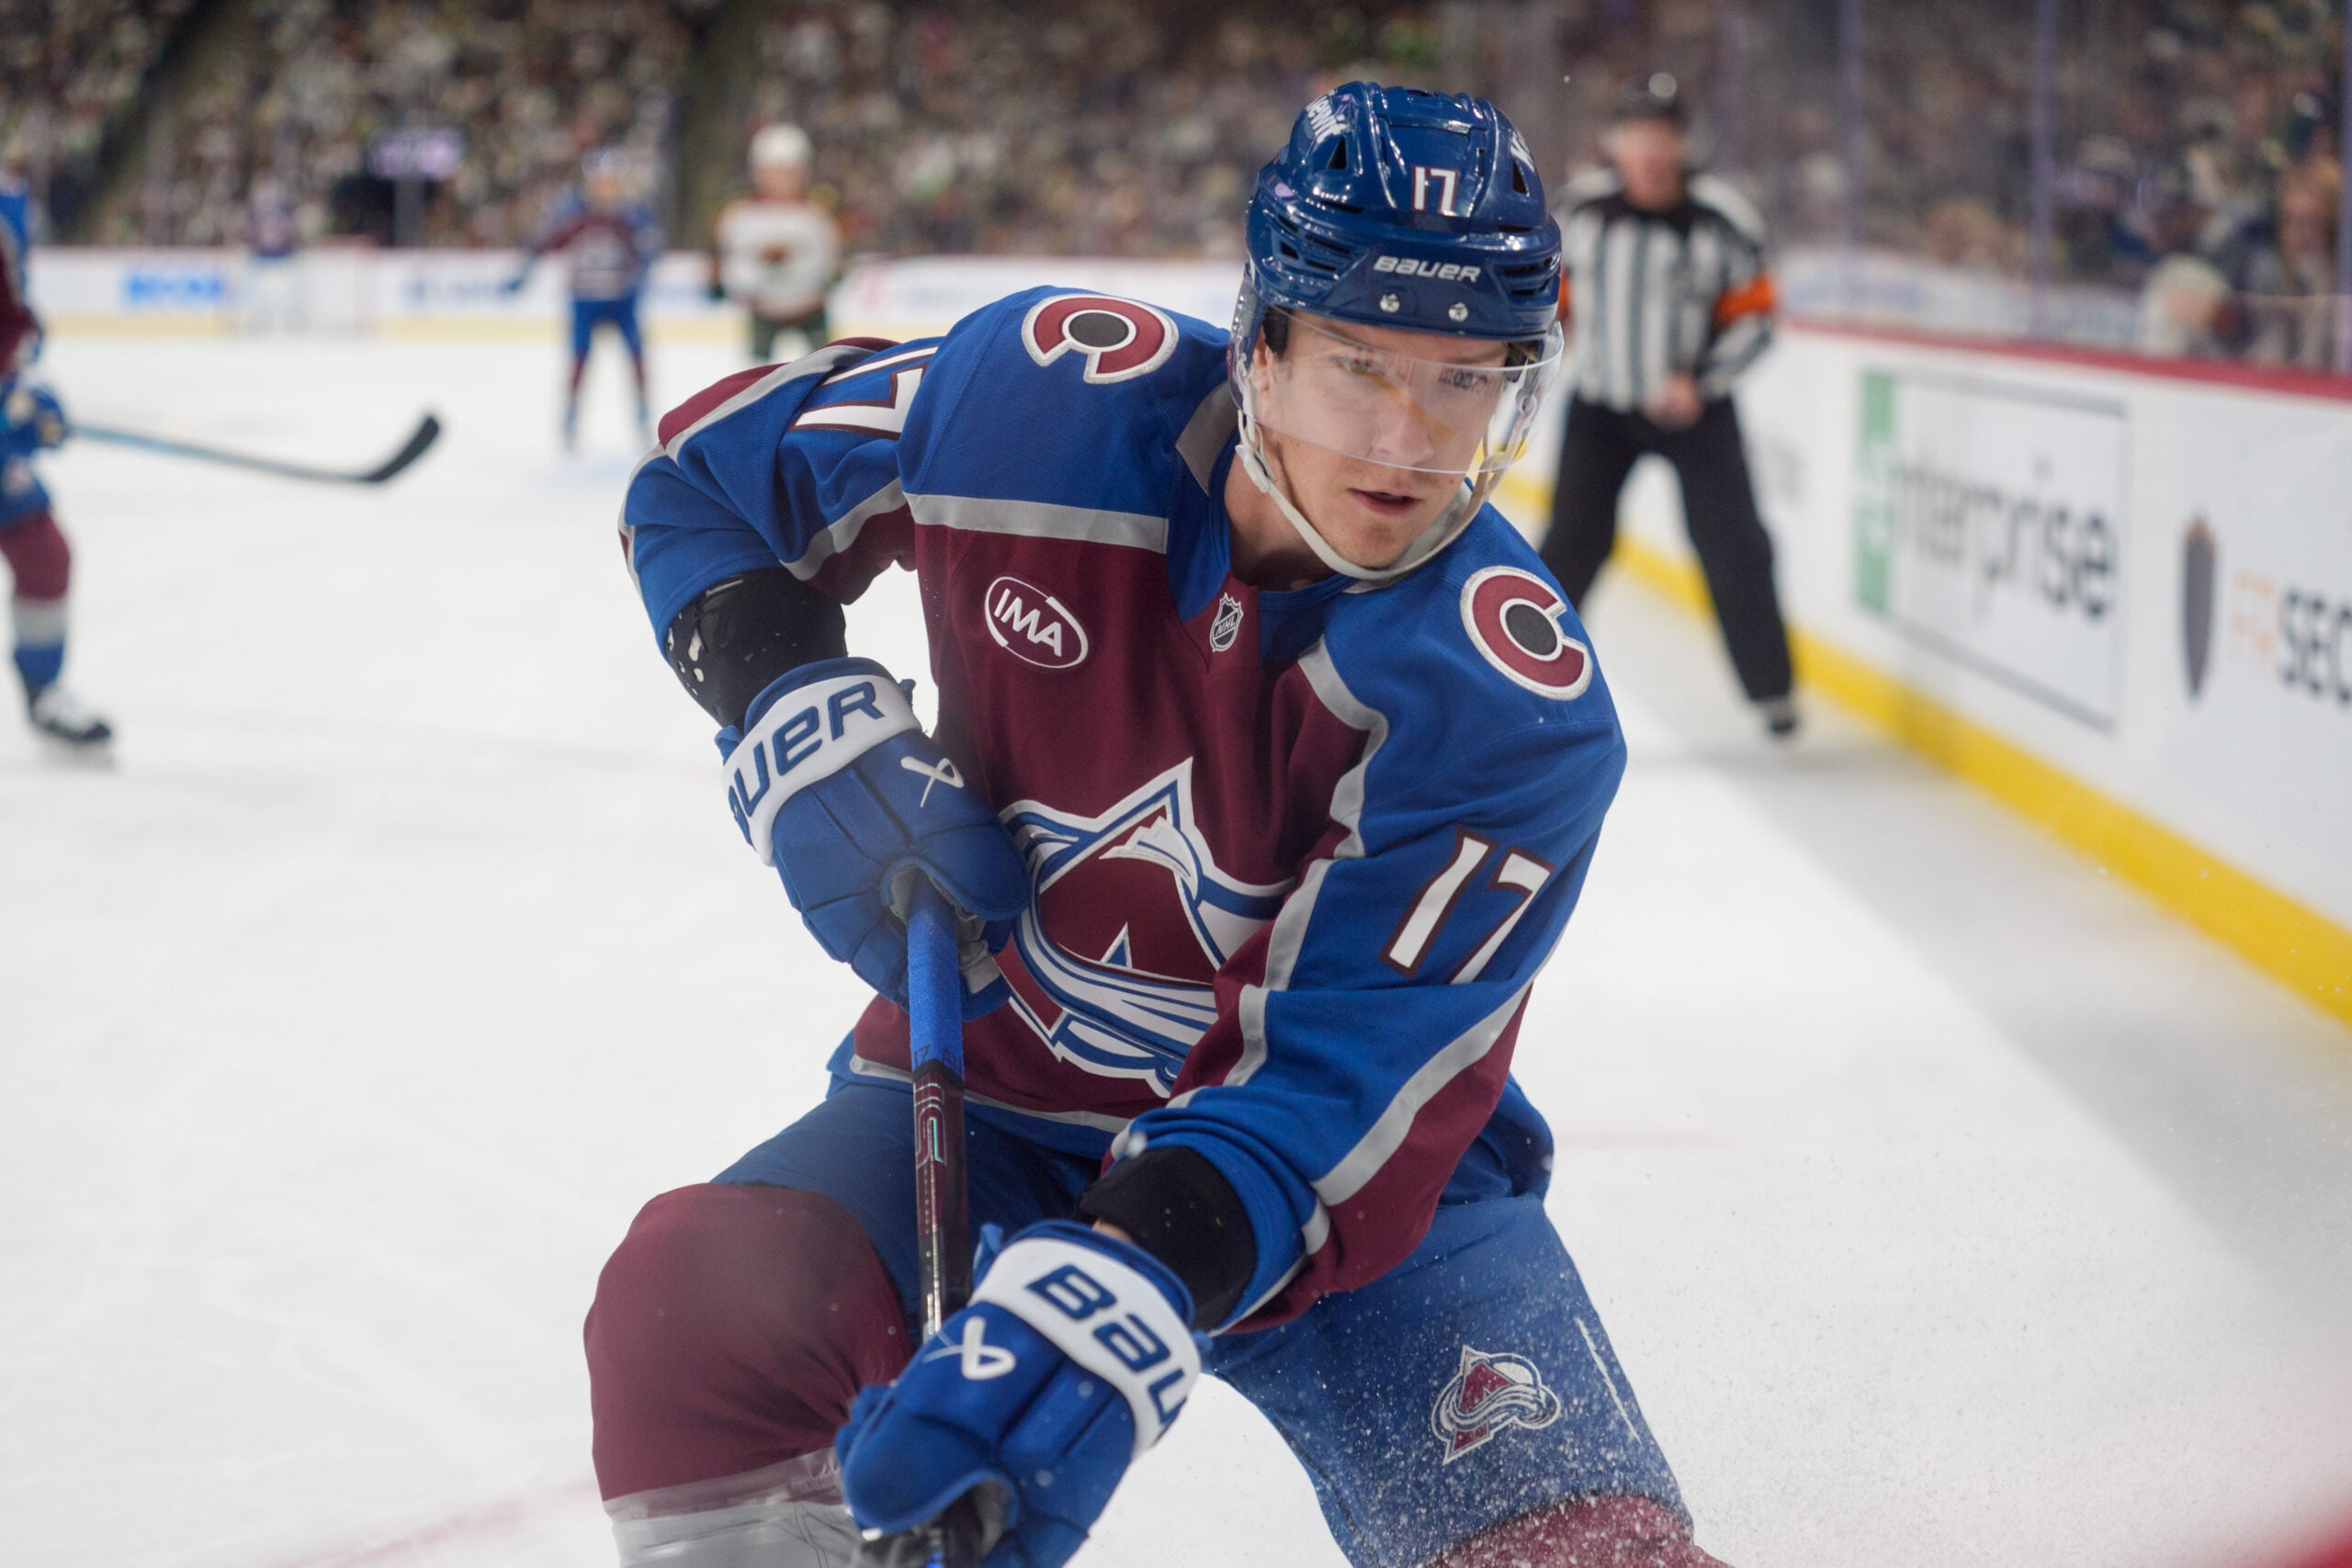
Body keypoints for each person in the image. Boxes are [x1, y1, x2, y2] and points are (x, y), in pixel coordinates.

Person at [593, 83, 1733, 1568]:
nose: (1407, 441)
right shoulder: (1039, 402)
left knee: (1591, 1557)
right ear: (1260, 340)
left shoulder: (1509, 698)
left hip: (1348, 1203)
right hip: (990, 1094)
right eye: (1360, 367)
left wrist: (1120, 1278)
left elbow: (1327, 1096)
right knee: (697, 1301)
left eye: (1467, 381)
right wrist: (794, 710)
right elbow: (705, 485)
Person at [1539, 73, 1798, 739]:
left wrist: (1701, 380)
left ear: (1684, 142)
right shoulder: (1581, 213)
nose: (1651, 151)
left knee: (1735, 546)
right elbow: (1546, 304)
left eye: (1663, 136)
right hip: (1601, 409)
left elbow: (1757, 317)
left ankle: (1773, 691)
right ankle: (1523, 686)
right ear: (1615, 143)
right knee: (1569, 548)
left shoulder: (1723, 219)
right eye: (1637, 136)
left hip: (1698, 413)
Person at [1, 172, 111, 754]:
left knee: (42, 551)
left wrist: (25, 390)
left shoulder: (7, 202)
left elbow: (15, 322)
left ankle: (45, 694)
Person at [507, 149, 662, 449]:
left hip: (622, 298)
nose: (605, 188)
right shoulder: (574, 214)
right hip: (584, 298)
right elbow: (545, 240)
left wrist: (643, 271)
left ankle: (643, 416)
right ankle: (571, 418)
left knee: (636, 357)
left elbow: (650, 249)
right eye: (600, 181)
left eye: (611, 181)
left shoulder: (631, 215)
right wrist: (525, 271)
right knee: (579, 359)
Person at [710, 123, 842, 364]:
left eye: (788, 171)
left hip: (809, 310)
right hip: (763, 313)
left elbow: (829, 265)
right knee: (756, 380)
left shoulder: (816, 215)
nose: (781, 180)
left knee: (829, 373)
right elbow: (732, 267)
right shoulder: (740, 216)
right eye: (773, 171)